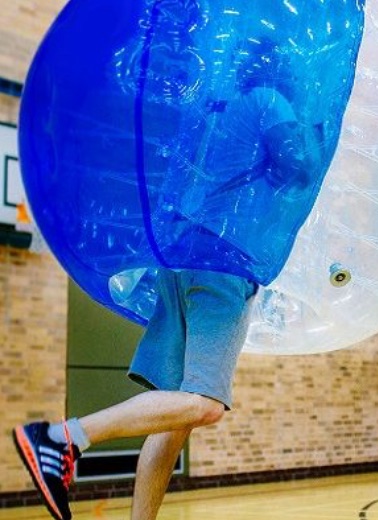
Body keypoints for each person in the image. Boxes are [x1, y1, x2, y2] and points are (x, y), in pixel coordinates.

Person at [12, 35, 320, 520]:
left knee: (173, 419)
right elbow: (300, 169)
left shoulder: (215, 112)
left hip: (180, 256)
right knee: (205, 404)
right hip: (223, 259)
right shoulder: (270, 100)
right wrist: (313, 134)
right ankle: (62, 439)